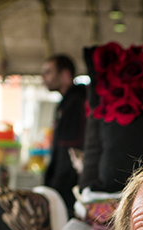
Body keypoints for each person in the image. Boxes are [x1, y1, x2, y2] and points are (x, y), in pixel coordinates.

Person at [41, 54, 86, 218]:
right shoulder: (67, 102)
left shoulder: (75, 103)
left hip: (68, 188)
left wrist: (56, 187)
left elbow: (70, 150)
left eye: (48, 72)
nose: (44, 77)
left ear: (65, 74)